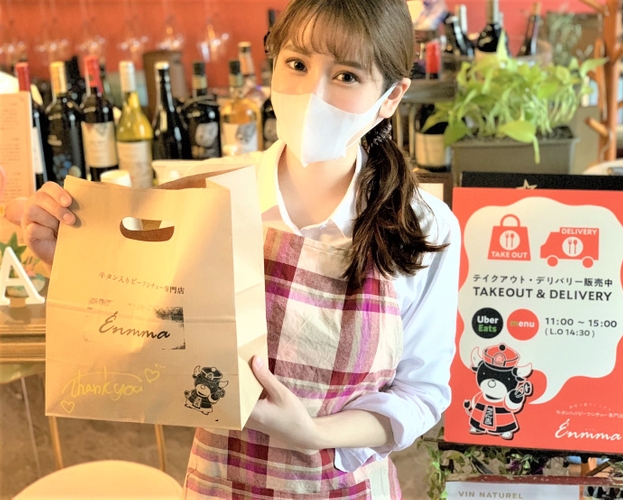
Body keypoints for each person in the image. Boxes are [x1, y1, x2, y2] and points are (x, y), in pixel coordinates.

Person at [21, 0, 461, 497]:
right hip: (220, 483)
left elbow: (419, 394)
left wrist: (312, 434)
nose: (312, 93)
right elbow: (148, 331)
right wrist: (74, 258)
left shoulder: (423, 226)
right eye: (297, 64)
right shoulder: (208, 196)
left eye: (346, 76)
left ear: (391, 96)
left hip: (350, 488)